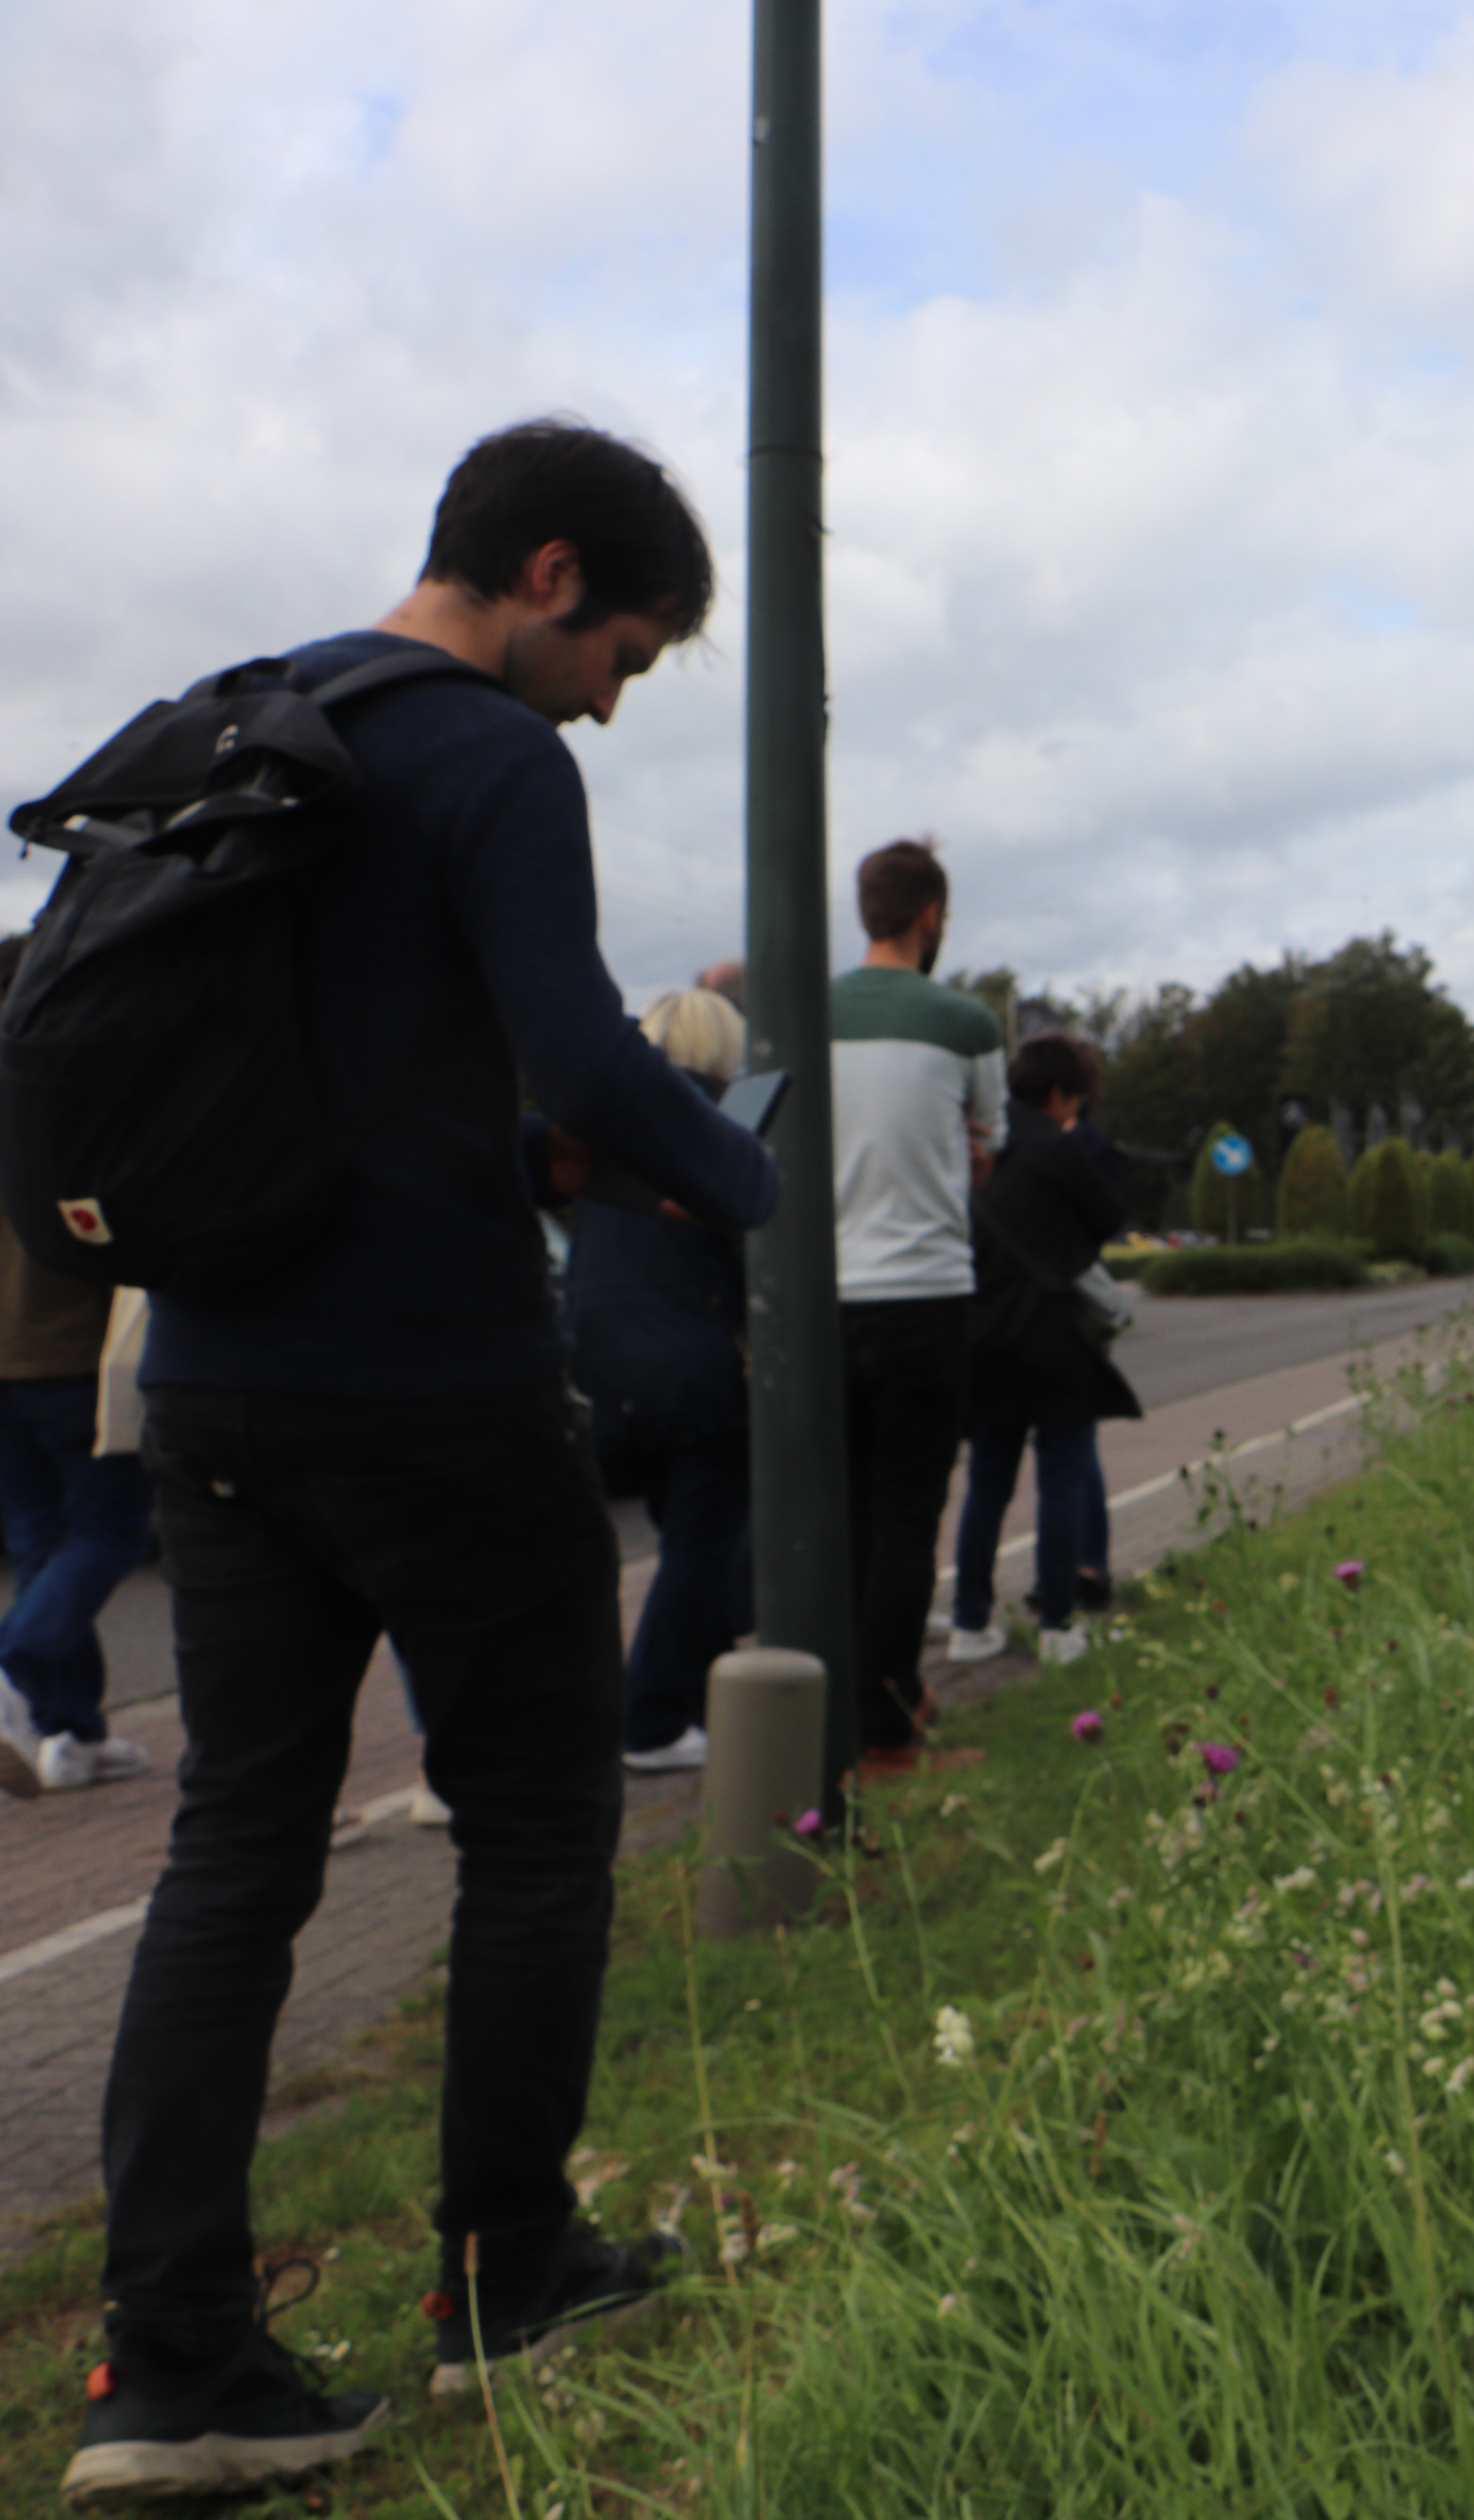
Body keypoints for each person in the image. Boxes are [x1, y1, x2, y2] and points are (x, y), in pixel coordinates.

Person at [64, 420, 780, 2511]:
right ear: (551, 577)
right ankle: (506, 2271)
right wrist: (746, 1183)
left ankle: (169, 2357)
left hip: (201, 1381)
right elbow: (573, 1049)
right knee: (541, 1820)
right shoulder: (488, 756)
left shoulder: (241, 719)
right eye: (630, 649)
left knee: (236, 1845)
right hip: (430, 1384)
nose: (619, 698)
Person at [830, 838, 1003, 1778]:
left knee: (850, 1516)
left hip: (828, 1300)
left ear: (867, 910)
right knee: (905, 1519)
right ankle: (885, 1733)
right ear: (930, 914)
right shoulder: (965, 1022)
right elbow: (986, 1148)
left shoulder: (795, 1009)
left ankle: (872, 1701)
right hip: (925, 1297)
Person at [564, 988, 755, 1772]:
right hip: (694, 1361)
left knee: (683, 1532)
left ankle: (695, 1691)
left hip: (609, 1365)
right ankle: (652, 1715)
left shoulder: (615, 1130)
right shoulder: (716, 1122)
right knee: (703, 1541)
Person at [0, 943, 159, 1799]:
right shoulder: (62, 1093)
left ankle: (70, 1734)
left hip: (3, 1364)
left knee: (40, 1543)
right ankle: (13, 1669)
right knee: (108, 1532)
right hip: (75, 1351)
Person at [947, 1035, 1140, 1667]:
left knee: (986, 1485)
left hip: (981, 1336)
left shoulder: (972, 1144)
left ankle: (969, 1622)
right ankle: (1058, 1624)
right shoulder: (1057, 1150)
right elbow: (1107, 1217)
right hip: (1053, 1340)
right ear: (1060, 1094)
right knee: (1061, 1479)